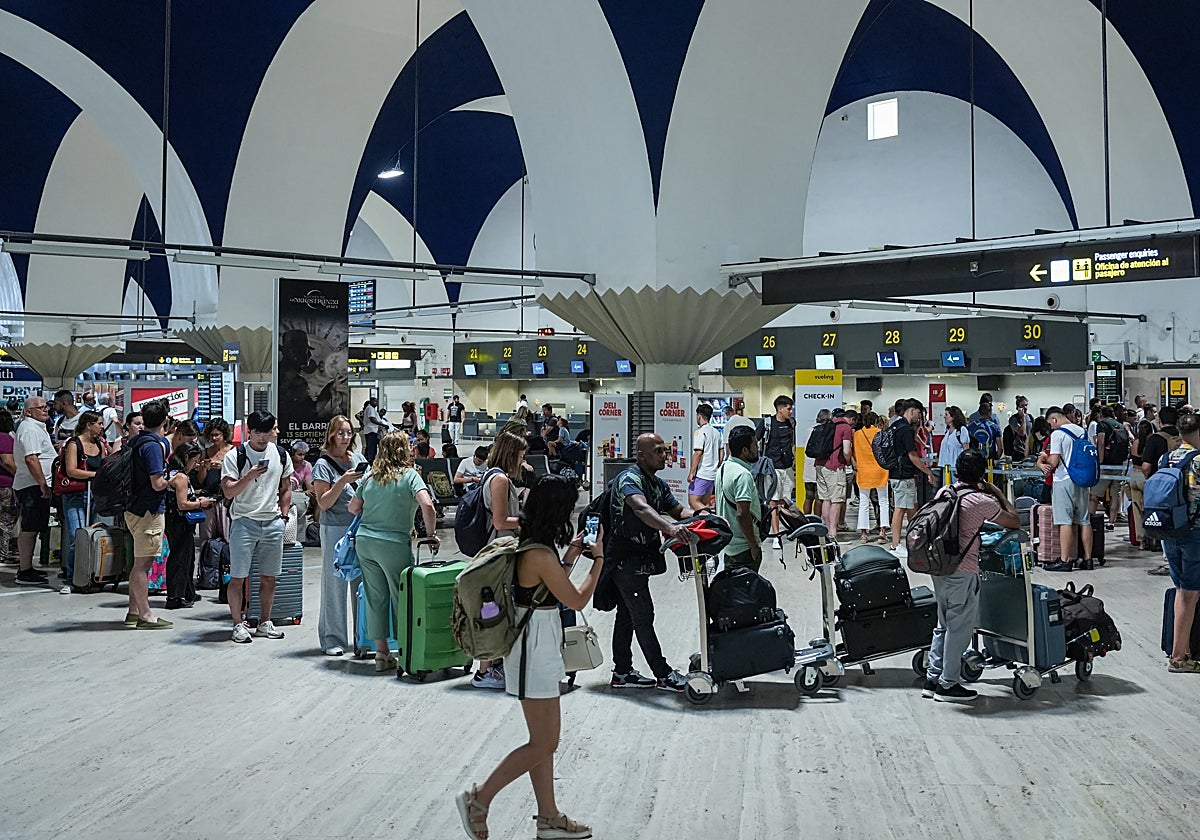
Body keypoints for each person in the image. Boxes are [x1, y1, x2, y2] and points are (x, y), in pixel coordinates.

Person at [455, 475, 602, 840]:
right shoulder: (539, 553)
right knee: (545, 742)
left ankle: (548, 816)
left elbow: (547, 587)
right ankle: (480, 798)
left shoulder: (534, 547)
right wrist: (599, 560)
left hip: (538, 642)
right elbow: (577, 600)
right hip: (533, 648)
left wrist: (570, 556)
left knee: (542, 741)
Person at [923, 450, 1020, 702]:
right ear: (981, 474)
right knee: (959, 629)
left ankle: (933, 678)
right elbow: (1014, 520)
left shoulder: (945, 492)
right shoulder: (980, 500)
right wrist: (996, 491)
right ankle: (948, 685)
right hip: (962, 570)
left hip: (939, 567)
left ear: (956, 471)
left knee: (943, 624)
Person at [347, 431, 438, 672]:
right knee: (402, 597)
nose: (411, 450)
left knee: (375, 597)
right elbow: (428, 505)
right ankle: (406, 651)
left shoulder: (370, 476)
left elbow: (353, 507)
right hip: (394, 543)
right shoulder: (410, 475)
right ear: (402, 450)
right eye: (408, 446)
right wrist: (431, 534)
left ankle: (382, 653)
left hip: (366, 542)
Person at [607, 433, 690, 692]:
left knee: (627, 615)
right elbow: (641, 508)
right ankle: (663, 675)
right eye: (658, 451)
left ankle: (622, 672)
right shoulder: (629, 479)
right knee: (643, 614)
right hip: (625, 560)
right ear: (641, 455)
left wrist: (703, 515)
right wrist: (670, 528)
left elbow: (678, 510)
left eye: (665, 450)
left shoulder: (657, 483)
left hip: (639, 560)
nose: (664, 455)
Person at [221, 409, 293, 644]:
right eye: (257, 432)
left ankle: (265, 622)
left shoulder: (281, 454)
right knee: (238, 577)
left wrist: (283, 517)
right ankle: (237, 624)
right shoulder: (235, 456)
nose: (262, 438)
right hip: (244, 521)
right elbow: (228, 491)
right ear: (248, 431)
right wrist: (249, 476)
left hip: (272, 522)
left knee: (269, 577)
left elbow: (286, 488)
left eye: (266, 432)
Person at [471, 431, 528, 689]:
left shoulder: (491, 475)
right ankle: (486, 670)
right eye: (521, 456)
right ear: (511, 454)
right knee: (495, 609)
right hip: (499, 550)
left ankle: (491, 666)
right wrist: (528, 521)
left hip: (496, 550)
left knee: (493, 607)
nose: (522, 461)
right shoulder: (500, 480)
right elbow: (500, 521)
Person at [312, 415, 369, 657]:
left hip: (359, 526)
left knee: (360, 582)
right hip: (334, 527)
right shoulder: (323, 465)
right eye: (340, 433)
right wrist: (343, 480)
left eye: (348, 432)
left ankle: (362, 638)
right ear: (332, 435)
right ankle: (333, 638)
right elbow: (323, 503)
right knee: (334, 584)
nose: (345, 437)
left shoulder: (358, 459)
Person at [122, 399, 173, 629]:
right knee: (143, 565)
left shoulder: (136, 441)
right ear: (165, 421)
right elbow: (157, 483)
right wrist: (174, 478)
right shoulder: (153, 446)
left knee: (138, 563)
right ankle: (145, 615)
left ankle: (133, 611)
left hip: (134, 508)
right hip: (148, 511)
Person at [1037, 406, 1096, 571]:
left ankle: (1065, 560)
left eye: (1050, 424)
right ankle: (1088, 559)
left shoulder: (1058, 434)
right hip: (1082, 480)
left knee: (1065, 521)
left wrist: (1043, 460)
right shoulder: (1082, 431)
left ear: (1054, 419)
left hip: (1064, 480)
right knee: (1084, 520)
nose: (1051, 427)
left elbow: (1054, 462)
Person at [1163, 412, 1200, 672]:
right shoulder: (1198, 461)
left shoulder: (1167, 458)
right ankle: (1178, 658)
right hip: (1194, 533)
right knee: (1190, 593)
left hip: (1170, 531)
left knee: (1181, 590)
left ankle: (1182, 649)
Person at [58, 410, 107, 594]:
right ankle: (72, 579)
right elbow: (71, 471)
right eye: (99, 423)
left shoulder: (100, 444)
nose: (102, 427)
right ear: (89, 425)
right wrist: (95, 475)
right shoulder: (74, 444)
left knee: (92, 536)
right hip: (75, 495)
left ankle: (89, 575)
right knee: (77, 537)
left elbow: (104, 465)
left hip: (95, 495)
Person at [164, 441, 213, 609]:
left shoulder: (171, 473)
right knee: (181, 558)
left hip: (174, 520)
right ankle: (175, 597)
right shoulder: (181, 477)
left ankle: (187, 592)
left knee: (187, 556)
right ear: (187, 458)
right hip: (180, 521)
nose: (196, 464)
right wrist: (201, 503)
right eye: (194, 461)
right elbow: (183, 504)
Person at [12, 397, 55, 586]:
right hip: (32, 486)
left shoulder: (36, 427)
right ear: (29, 412)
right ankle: (25, 570)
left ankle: (26, 566)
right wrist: (42, 483)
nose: (45, 410)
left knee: (33, 527)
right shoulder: (29, 428)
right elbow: (31, 458)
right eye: (40, 408)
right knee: (30, 528)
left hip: (34, 485)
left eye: (46, 407)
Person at [889, 399, 936, 555]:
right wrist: (928, 472)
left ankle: (915, 540)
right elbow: (912, 455)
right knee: (900, 509)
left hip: (896, 472)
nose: (919, 417)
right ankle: (895, 545)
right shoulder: (905, 429)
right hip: (903, 475)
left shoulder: (896, 425)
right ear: (911, 411)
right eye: (918, 413)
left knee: (911, 508)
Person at [715, 426, 763, 571]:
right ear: (745, 450)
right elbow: (742, 514)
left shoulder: (723, 468)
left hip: (729, 545)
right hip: (744, 548)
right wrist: (753, 545)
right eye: (755, 444)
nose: (757, 448)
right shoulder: (742, 475)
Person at [1142, 405, 1181, 573]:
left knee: (1164, 523)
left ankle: (1169, 562)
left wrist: (1150, 481)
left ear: (1160, 421)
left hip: (1162, 489)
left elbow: (1146, 466)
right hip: (1182, 486)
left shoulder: (1155, 439)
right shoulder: (1183, 437)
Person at [756, 395, 796, 550]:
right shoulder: (767, 424)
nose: (791, 411)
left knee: (785, 501)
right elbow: (755, 440)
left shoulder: (791, 423)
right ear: (780, 409)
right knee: (773, 501)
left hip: (787, 467)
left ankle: (788, 529)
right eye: (788, 409)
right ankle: (776, 535)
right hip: (772, 468)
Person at [814, 407, 853, 538]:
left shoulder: (826, 425)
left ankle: (826, 529)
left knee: (826, 499)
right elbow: (846, 450)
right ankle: (833, 532)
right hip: (834, 467)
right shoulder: (845, 428)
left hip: (820, 464)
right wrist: (848, 462)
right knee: (836, 500)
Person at [853, 412, 889, 544]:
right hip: (880, 471)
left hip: (863, 471)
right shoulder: (881, 433)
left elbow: (853, 453)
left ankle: (863, 534)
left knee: (863, 503)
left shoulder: (857, 435)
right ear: (876, 421)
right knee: (883, 501)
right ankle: (882, 532)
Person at [686, 402, 722, 511]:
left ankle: (711, 517)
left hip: (702, 474)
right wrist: (717, 465)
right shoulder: (716, 432)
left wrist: (691, 473)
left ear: (699, 416)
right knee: (704, 503)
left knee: (693, 501)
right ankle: (706, 520)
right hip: (712, 475)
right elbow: (721, 452)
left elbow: (698, 453)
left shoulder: (700, 432)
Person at [1128, 418, 1155, 550]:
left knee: (1137, 510)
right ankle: (1152, 538)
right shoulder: (1150, 444)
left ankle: (1141, 542)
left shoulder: (1135, 443)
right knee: (1150, 509)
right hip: (1145, 477)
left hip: (1134, 477)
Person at [0, 411, 18, 567]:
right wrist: (19, 474)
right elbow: (8, 462)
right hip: (5, 484)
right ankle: (3, 552)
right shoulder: (5, 439)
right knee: (6, 520)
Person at [938, 406, 970, 482]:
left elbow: (966, 450)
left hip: (956, 468)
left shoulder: (961, 430)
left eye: (946, 415)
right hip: (946, 467)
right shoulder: (947, 431)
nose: (944, 417)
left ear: (953, 417)